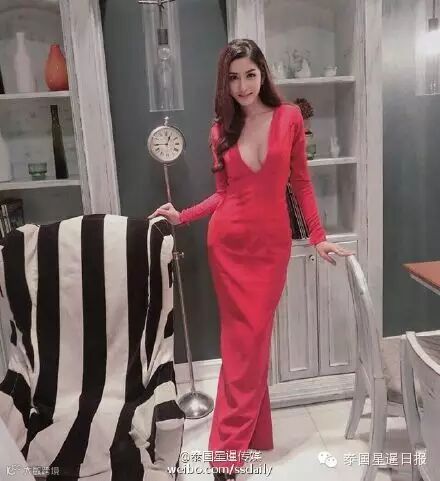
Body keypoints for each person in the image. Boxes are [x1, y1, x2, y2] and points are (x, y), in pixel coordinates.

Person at [149, 38, 352, 481]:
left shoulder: (289, 118)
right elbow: (224, 196)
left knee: (250, 347)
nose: (242, 86)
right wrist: (183, 216)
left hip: (271, 250)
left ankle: (243, 439)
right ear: (225, 83)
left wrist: (318, 237)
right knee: (243, 349)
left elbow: (301, 183)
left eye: (250, 75)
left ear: (263, 74)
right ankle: (229, 455)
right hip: (228, 248)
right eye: (233, 78)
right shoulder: (220, 131)